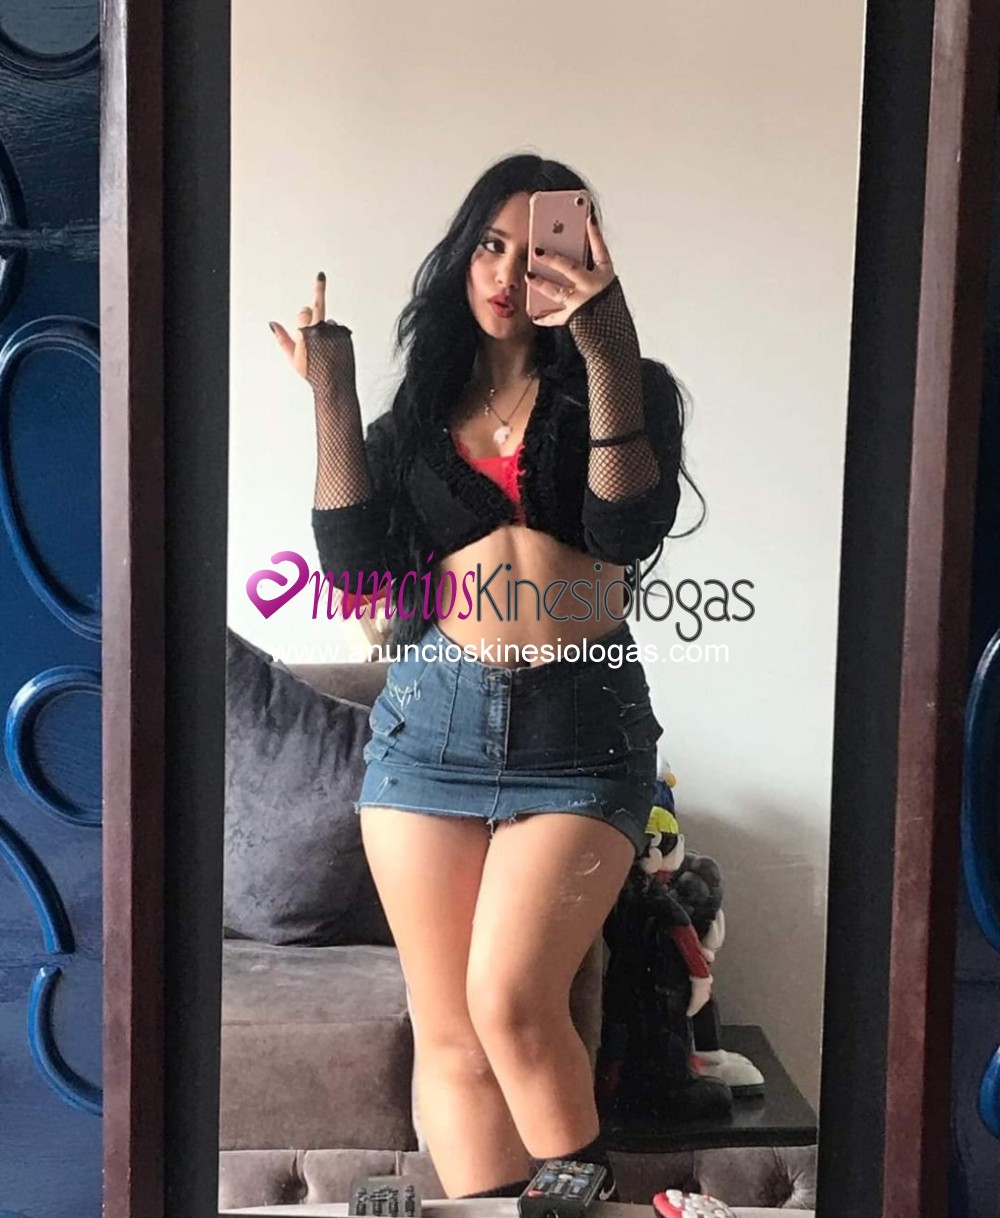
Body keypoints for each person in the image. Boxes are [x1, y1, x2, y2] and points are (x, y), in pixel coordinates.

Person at [269, 153, 702, 1201]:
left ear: (582, 258)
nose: (509, 272)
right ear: (462, 255)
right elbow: (356, 574)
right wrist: (332, 395)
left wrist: (605, 340)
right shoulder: (422, 415)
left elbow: (625, 528)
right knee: (453, 1034)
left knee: (511, 1003)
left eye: (537, 248)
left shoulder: (625, 386)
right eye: (490, 245)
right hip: (430, 728)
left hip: (581, 730)